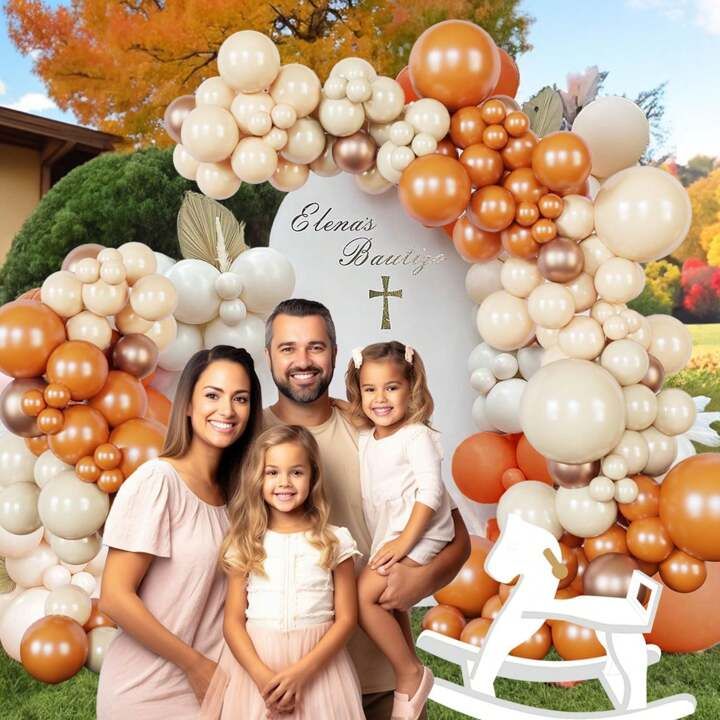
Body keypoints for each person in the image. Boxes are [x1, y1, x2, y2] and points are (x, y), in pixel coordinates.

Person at [262, 298, 471, 719]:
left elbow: (456, 535)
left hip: (381, 678)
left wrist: (422, 579)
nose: (303, 360)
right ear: (268, 355)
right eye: (288, 348)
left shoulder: (375, 430)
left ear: (337, 356)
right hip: (290, 678)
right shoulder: (253, 439)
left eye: (316, 347)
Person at [97, 346, 263, 720]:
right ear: (187, 404)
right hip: (148, 691)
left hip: (218, 689)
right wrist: (195, 666)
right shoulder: (159, 481)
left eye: (241, 398)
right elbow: (114, 598)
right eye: (212, 395)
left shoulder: (238, 497)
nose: (227, 411)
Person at [200, 424, 365, 720]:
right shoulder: (245, 542)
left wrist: (302, 674)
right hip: (256, 670)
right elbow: (233, 622)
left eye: (296, 472)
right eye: (272, 472)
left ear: (312, 476)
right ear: (257, 479)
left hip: (319, 670)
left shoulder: (335, 540)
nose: (284, 482)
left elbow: (347, 619)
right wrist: (262, 677)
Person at [346, 342, 455, 719]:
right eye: (369, 389)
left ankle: (409, 673)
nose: (380, 398)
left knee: (362, 598)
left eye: (391, 387)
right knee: (391, 604)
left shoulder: (415, 436)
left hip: (422, 533)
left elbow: (431, 491)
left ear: (412, 388)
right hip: (391, 533)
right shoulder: (366, 439)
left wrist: (406, 542)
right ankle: (410, 670)